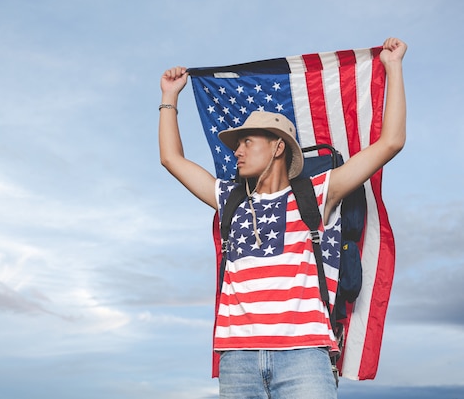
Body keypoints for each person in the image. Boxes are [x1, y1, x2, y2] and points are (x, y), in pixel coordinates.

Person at [158, 37, 406, 399]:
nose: (237, 151)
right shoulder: (229, 198)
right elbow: (172, 160)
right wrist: (169, 97)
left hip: (305, 357)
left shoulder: (317, 193)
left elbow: (390, 143)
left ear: (278, 147)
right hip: (237, 359)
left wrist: (393, 67)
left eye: (247, 142)